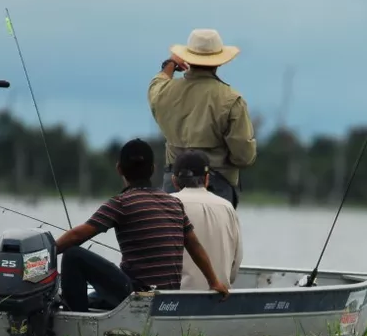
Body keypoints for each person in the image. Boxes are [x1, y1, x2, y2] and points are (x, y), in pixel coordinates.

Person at [52, 138, 229, 312]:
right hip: (168, 299)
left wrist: (46, 253)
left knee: (73, 255)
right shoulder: (174, 203)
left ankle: (77, 321)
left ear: (119, 169)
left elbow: (77, 236)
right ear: (153, 169)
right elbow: (195, 246)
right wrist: (214, 281)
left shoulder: (121, 203)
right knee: (95, 299)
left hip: (137, 296)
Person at [147, 28, 257, 209]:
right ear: (219, 62)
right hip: (216, 188)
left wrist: (170, 64)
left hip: (173, 187)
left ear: (188, 57)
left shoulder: (164, 93)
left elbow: (156, 85)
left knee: (172, 237)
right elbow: (244, 157)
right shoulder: (231, 99)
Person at [170, 150, 243, 290]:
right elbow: (234, 268)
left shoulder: (167, 204)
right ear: (207, 179)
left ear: (174, 180)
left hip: (174, 301)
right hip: (219, 298)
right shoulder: (228, 207)